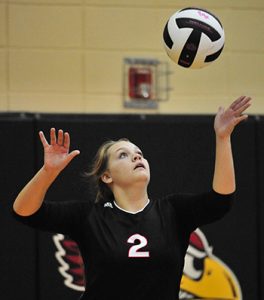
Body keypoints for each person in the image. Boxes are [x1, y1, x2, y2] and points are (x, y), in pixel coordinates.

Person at [12, 96, 251, 300]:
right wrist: (48, 172)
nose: (137, 158)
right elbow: (24, 211)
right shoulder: (89, 217)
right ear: (106, 176)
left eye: (139, 154)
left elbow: (221, 200)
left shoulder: (173, 212)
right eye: (123, 155)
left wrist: (223, 138)